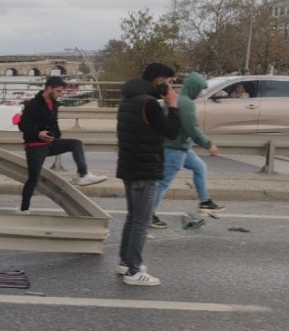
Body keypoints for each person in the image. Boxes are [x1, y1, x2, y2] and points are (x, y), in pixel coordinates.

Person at [115, 63, 182, 286]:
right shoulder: (149, 103)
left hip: (129, 166)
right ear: (159, 81)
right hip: (145, 168)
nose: (171, 86)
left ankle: (126, 261)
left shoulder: (128, 99)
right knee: (141, 221)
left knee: (132, 217)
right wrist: (173, 106)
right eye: (169, 81)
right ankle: (134, 271)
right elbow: (171, 132)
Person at [18, 76, 107, 213]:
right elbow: (23, 124)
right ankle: (24, 209)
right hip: (35, 145)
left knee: (76, 144)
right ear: (49, 88)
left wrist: (56, 137)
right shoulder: (34, 104)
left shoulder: (54, 104)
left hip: (51, 143)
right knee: (33, 179)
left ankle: (83, 175)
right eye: (58, 91)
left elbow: (54, 124)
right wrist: (38, 134)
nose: (61, 94)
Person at [150, 72, 224, 228]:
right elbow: (192, 128)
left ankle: (204, 202)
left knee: (200, 167)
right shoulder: (185, 103)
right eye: (200, 89)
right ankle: (147, 215)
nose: (200, 93)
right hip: (174, 149)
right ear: (194, 88)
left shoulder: (178, 99)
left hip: (181, 147)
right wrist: (208, 144)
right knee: (162, 184)